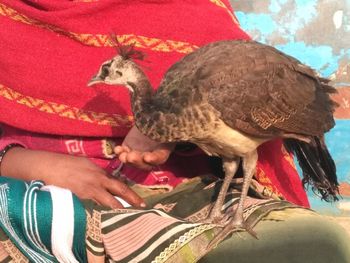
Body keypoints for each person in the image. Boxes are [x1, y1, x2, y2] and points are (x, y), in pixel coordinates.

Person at [0, 0, 349, 262]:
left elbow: (237, 104)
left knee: (308, 244)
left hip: (177, 192)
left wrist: (167, 136)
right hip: (26, 194)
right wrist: (23, 162)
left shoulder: (185, 8)